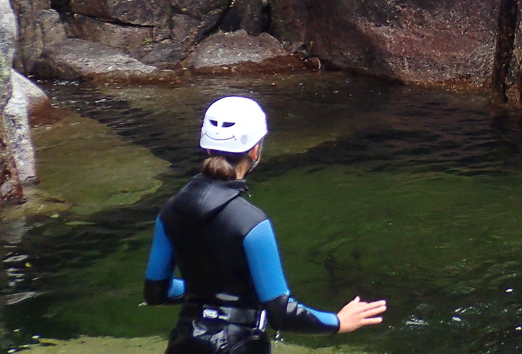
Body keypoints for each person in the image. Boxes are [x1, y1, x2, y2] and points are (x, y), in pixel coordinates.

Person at [144, 96, 387, 352]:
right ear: (254, 150)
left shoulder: (169, 211)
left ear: (206, 147)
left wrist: (204, 289)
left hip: (184, 341)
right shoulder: (251, 222)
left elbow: (155, 293)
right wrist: (338, 322)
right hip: (238, 344)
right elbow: (281, 313)